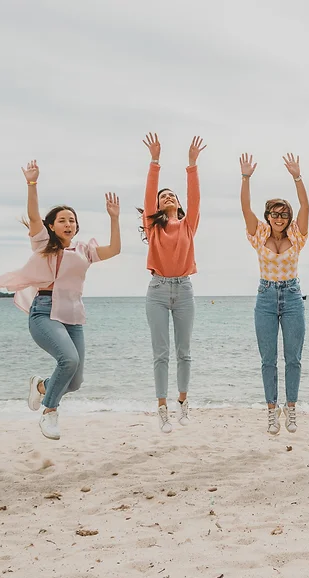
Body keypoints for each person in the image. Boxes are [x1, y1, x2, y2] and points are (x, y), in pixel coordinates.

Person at [0, 161, 121, 440]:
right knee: (69, 359)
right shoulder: (43, 244)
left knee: (74, 382)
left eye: (72, 220)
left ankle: (41, 387)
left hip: (73, 316)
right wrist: (32, 184)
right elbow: (33, 215)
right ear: (51, 226)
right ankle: (49, 411)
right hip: (44, 311)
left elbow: (114, 249)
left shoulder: (84, 249)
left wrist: (114, 217)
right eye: (62, 220)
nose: (68, 224)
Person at [137, 132, 206, 433]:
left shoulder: (189, 224)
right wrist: (155, 161)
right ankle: (162, 408)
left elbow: (196, 197)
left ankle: (183, 403)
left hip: (185, 289)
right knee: (161, 353)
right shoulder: (152, 227)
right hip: (157, 291)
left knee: (185, 351)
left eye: (172, 196)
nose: (167, 197)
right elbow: (149, 191)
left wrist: (192, 165)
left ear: (179, 205)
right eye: (162, 196)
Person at [239, 152, 309, 435]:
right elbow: (244, 206)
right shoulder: (258, 233)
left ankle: (290, 408)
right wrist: (246, 177)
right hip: (266, 298)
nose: (279, 218)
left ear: (289, 217)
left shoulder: (297, 235)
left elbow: (306, 204)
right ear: (268, 215)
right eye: (274, 214)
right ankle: (272, 410)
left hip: (292, 296)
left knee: (293, 358)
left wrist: (297, 176)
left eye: (284, 214)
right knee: (268, 359)